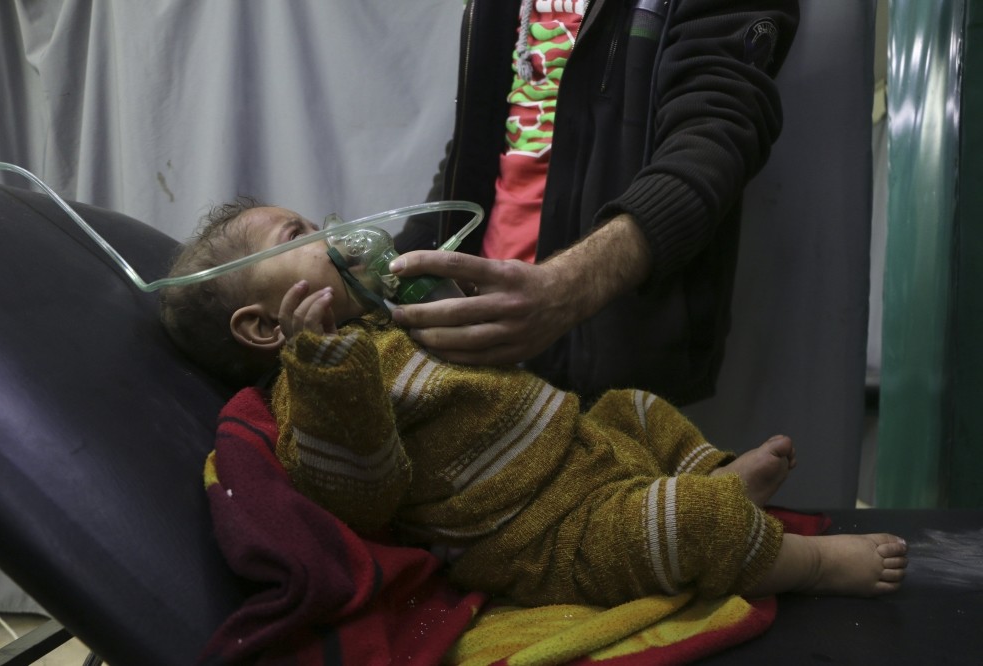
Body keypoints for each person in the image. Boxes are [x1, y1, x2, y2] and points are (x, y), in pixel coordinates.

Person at [159, 200, 907, 608]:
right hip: (548, 536)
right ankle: (808, 564)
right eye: (303, 235)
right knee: (693, 526)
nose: (333, 231)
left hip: (583, 451)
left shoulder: (398, 323)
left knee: (637, 408)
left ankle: (712, 475)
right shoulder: (311, 393)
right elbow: (363, 493)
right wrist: (324, 365)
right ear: (262, 325)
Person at [389, 0, 801, 406]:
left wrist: (561, 292)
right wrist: (373, 271)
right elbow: (486, 142)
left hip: (611, 374)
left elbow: (714, 142)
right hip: (474, 349)